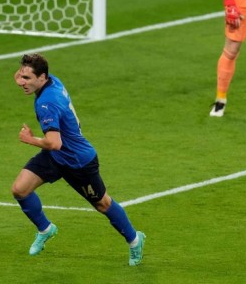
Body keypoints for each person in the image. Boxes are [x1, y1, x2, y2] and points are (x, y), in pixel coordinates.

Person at [11, 53, 145, 266]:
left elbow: (54, 143)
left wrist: (29, 139)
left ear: (42, 77)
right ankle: (46, 229)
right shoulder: (51, 80)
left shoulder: (47, 103)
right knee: (20, 189)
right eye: (21, 77)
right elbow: (56, 147)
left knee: (103, 204)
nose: (21, 82)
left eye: (27, 79)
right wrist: (23, 72)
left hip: (78, 160)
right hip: (56, 158)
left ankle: (135, 240)